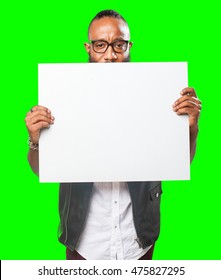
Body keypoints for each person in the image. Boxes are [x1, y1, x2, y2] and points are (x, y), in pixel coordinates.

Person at [25, 10, 201, 260]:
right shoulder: (64, 96)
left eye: (119, 45)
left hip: (138, 238)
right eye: (100, 45)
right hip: (84, 242)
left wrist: (191, 127)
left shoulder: (156, 94)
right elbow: (41, 169)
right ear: (88, 47)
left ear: (129, 46)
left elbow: (180, 162)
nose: (109, 55)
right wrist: (35, 140)